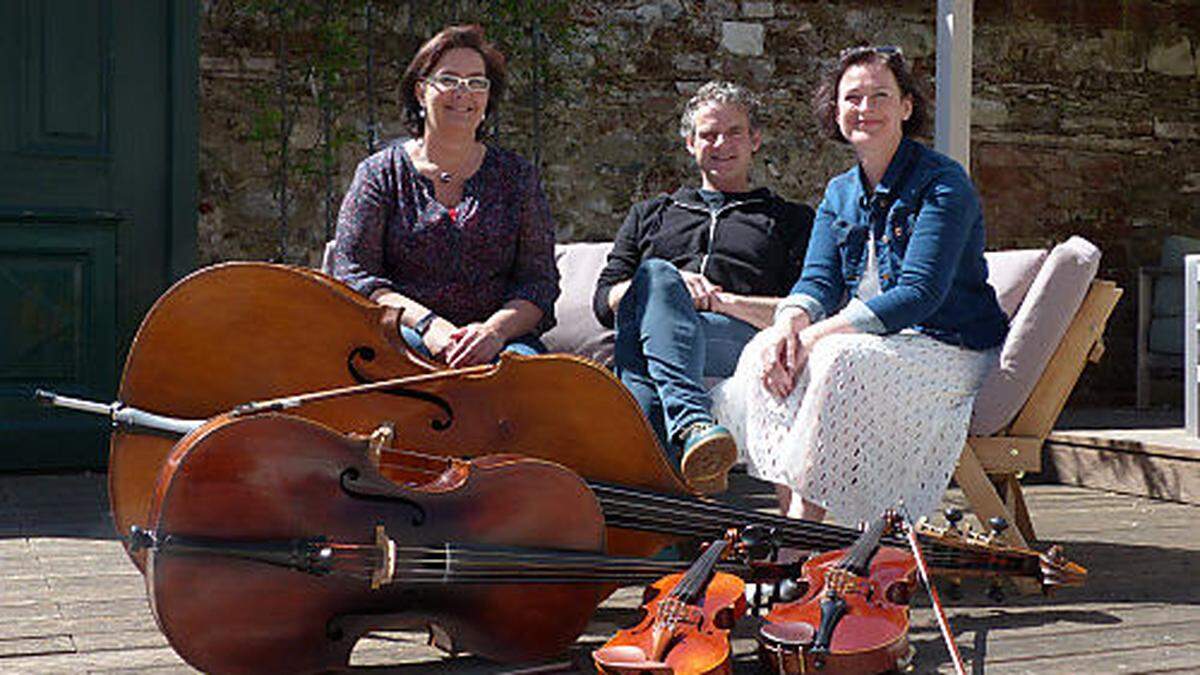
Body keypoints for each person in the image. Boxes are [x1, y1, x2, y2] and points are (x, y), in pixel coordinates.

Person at [713, 46, 1008, 526]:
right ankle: (795, 522)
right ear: (835, 110)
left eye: (879, 96)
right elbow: (818, 280)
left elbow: (919, 293)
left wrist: (812, 337)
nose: (865, 109)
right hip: (876, 343)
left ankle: (800, 536)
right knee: (766, 349)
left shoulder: (943, 184)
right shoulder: (840, 191)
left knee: (833, 359)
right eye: (852, 98)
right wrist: (790, 325)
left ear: (906, 107)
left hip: (945, 348)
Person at [594, 81, 815, 494]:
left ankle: (657, 492)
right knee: (657, 277)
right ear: (690, 144)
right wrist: (667, 287)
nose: (721, 143)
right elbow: (605, 300)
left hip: (734, 337)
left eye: (733, 132)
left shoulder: (789, 220)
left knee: (638, 360)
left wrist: (726, 302)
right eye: (709, 134)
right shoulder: (650, 214)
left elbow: (806, 307)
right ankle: (693, 430)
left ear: (755, 140)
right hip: (648, 330)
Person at [332, 25, 558, 367]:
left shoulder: (517, 176)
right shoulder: (379, 174)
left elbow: (538, 282)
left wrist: (492, 332)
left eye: (476, 82)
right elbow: (354, 275)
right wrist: (428, 326)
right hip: (404, 335)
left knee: (531, 390)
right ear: (421, 91)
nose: (463, 93)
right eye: (449, 80)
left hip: (498, 342)